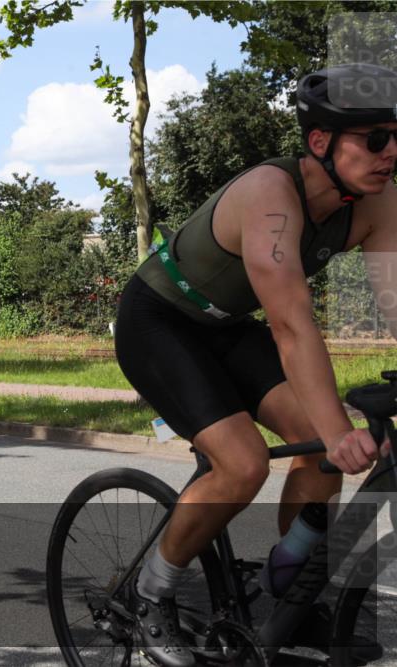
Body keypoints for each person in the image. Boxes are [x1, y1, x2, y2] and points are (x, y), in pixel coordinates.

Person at [113, 63, 396, 667]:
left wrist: (332, 434)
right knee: (241, 464)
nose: (390, 152)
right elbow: (294, 327)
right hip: (158, 322)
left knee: (320, 451)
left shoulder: (377, 205)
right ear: (320, 141)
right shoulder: (271, 198)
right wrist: (337, 430)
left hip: (227, 327)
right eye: (374, 138)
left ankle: (289, 595)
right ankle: (151, 595)